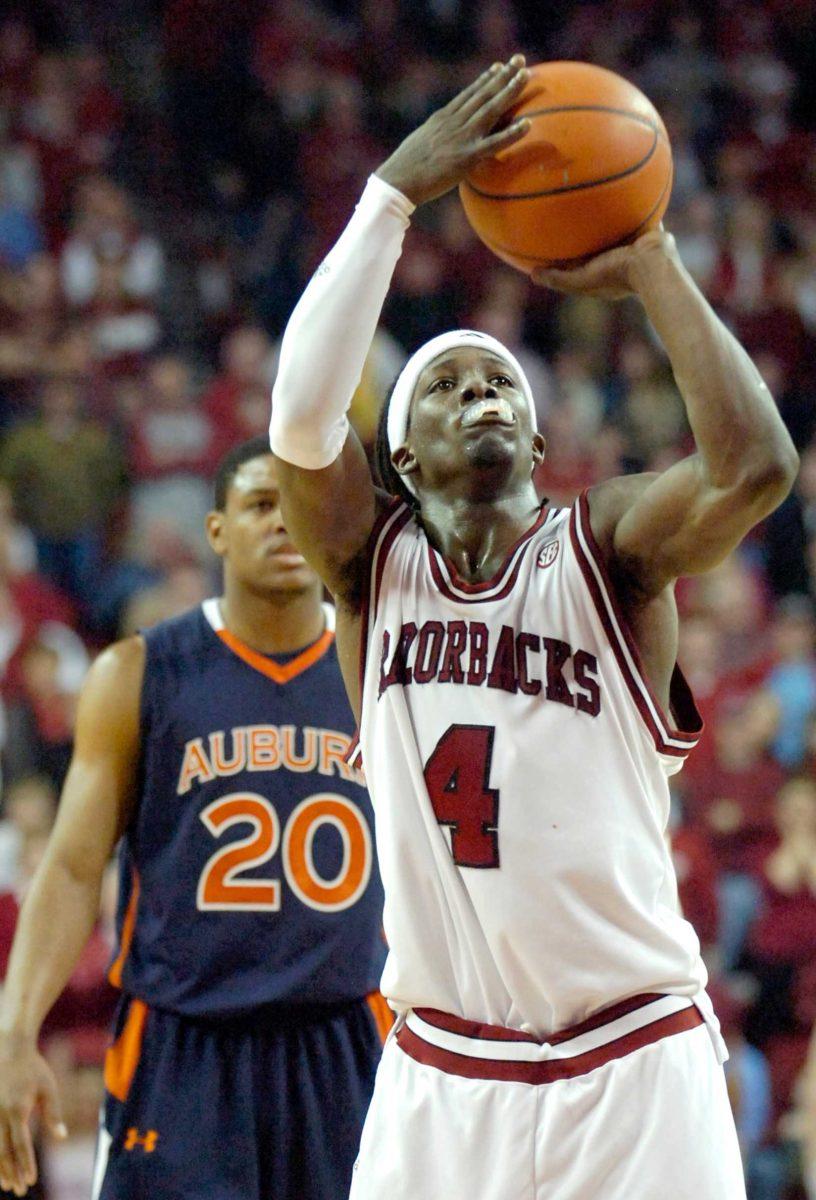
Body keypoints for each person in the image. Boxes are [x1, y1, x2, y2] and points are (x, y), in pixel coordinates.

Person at [268, 55, 799, 1199]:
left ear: (541, 435)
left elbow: (755, 469)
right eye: (452, 387)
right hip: (443, 1072)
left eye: (501, 385)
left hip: (634, 1055)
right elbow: (301, 418)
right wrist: (390, 201)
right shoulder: (373, 570)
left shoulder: (604, 545)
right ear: (403, 460)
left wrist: (653, 258)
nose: (485, 398)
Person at [0, 435, 388, 1200]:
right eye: (260, 505)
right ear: (217, 531)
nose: (284, 524)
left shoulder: (385, 666)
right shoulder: (138, 673)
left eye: (301, 507)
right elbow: (75, 868)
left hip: (345, 1036)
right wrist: (15, 1030)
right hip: (185, 1047)